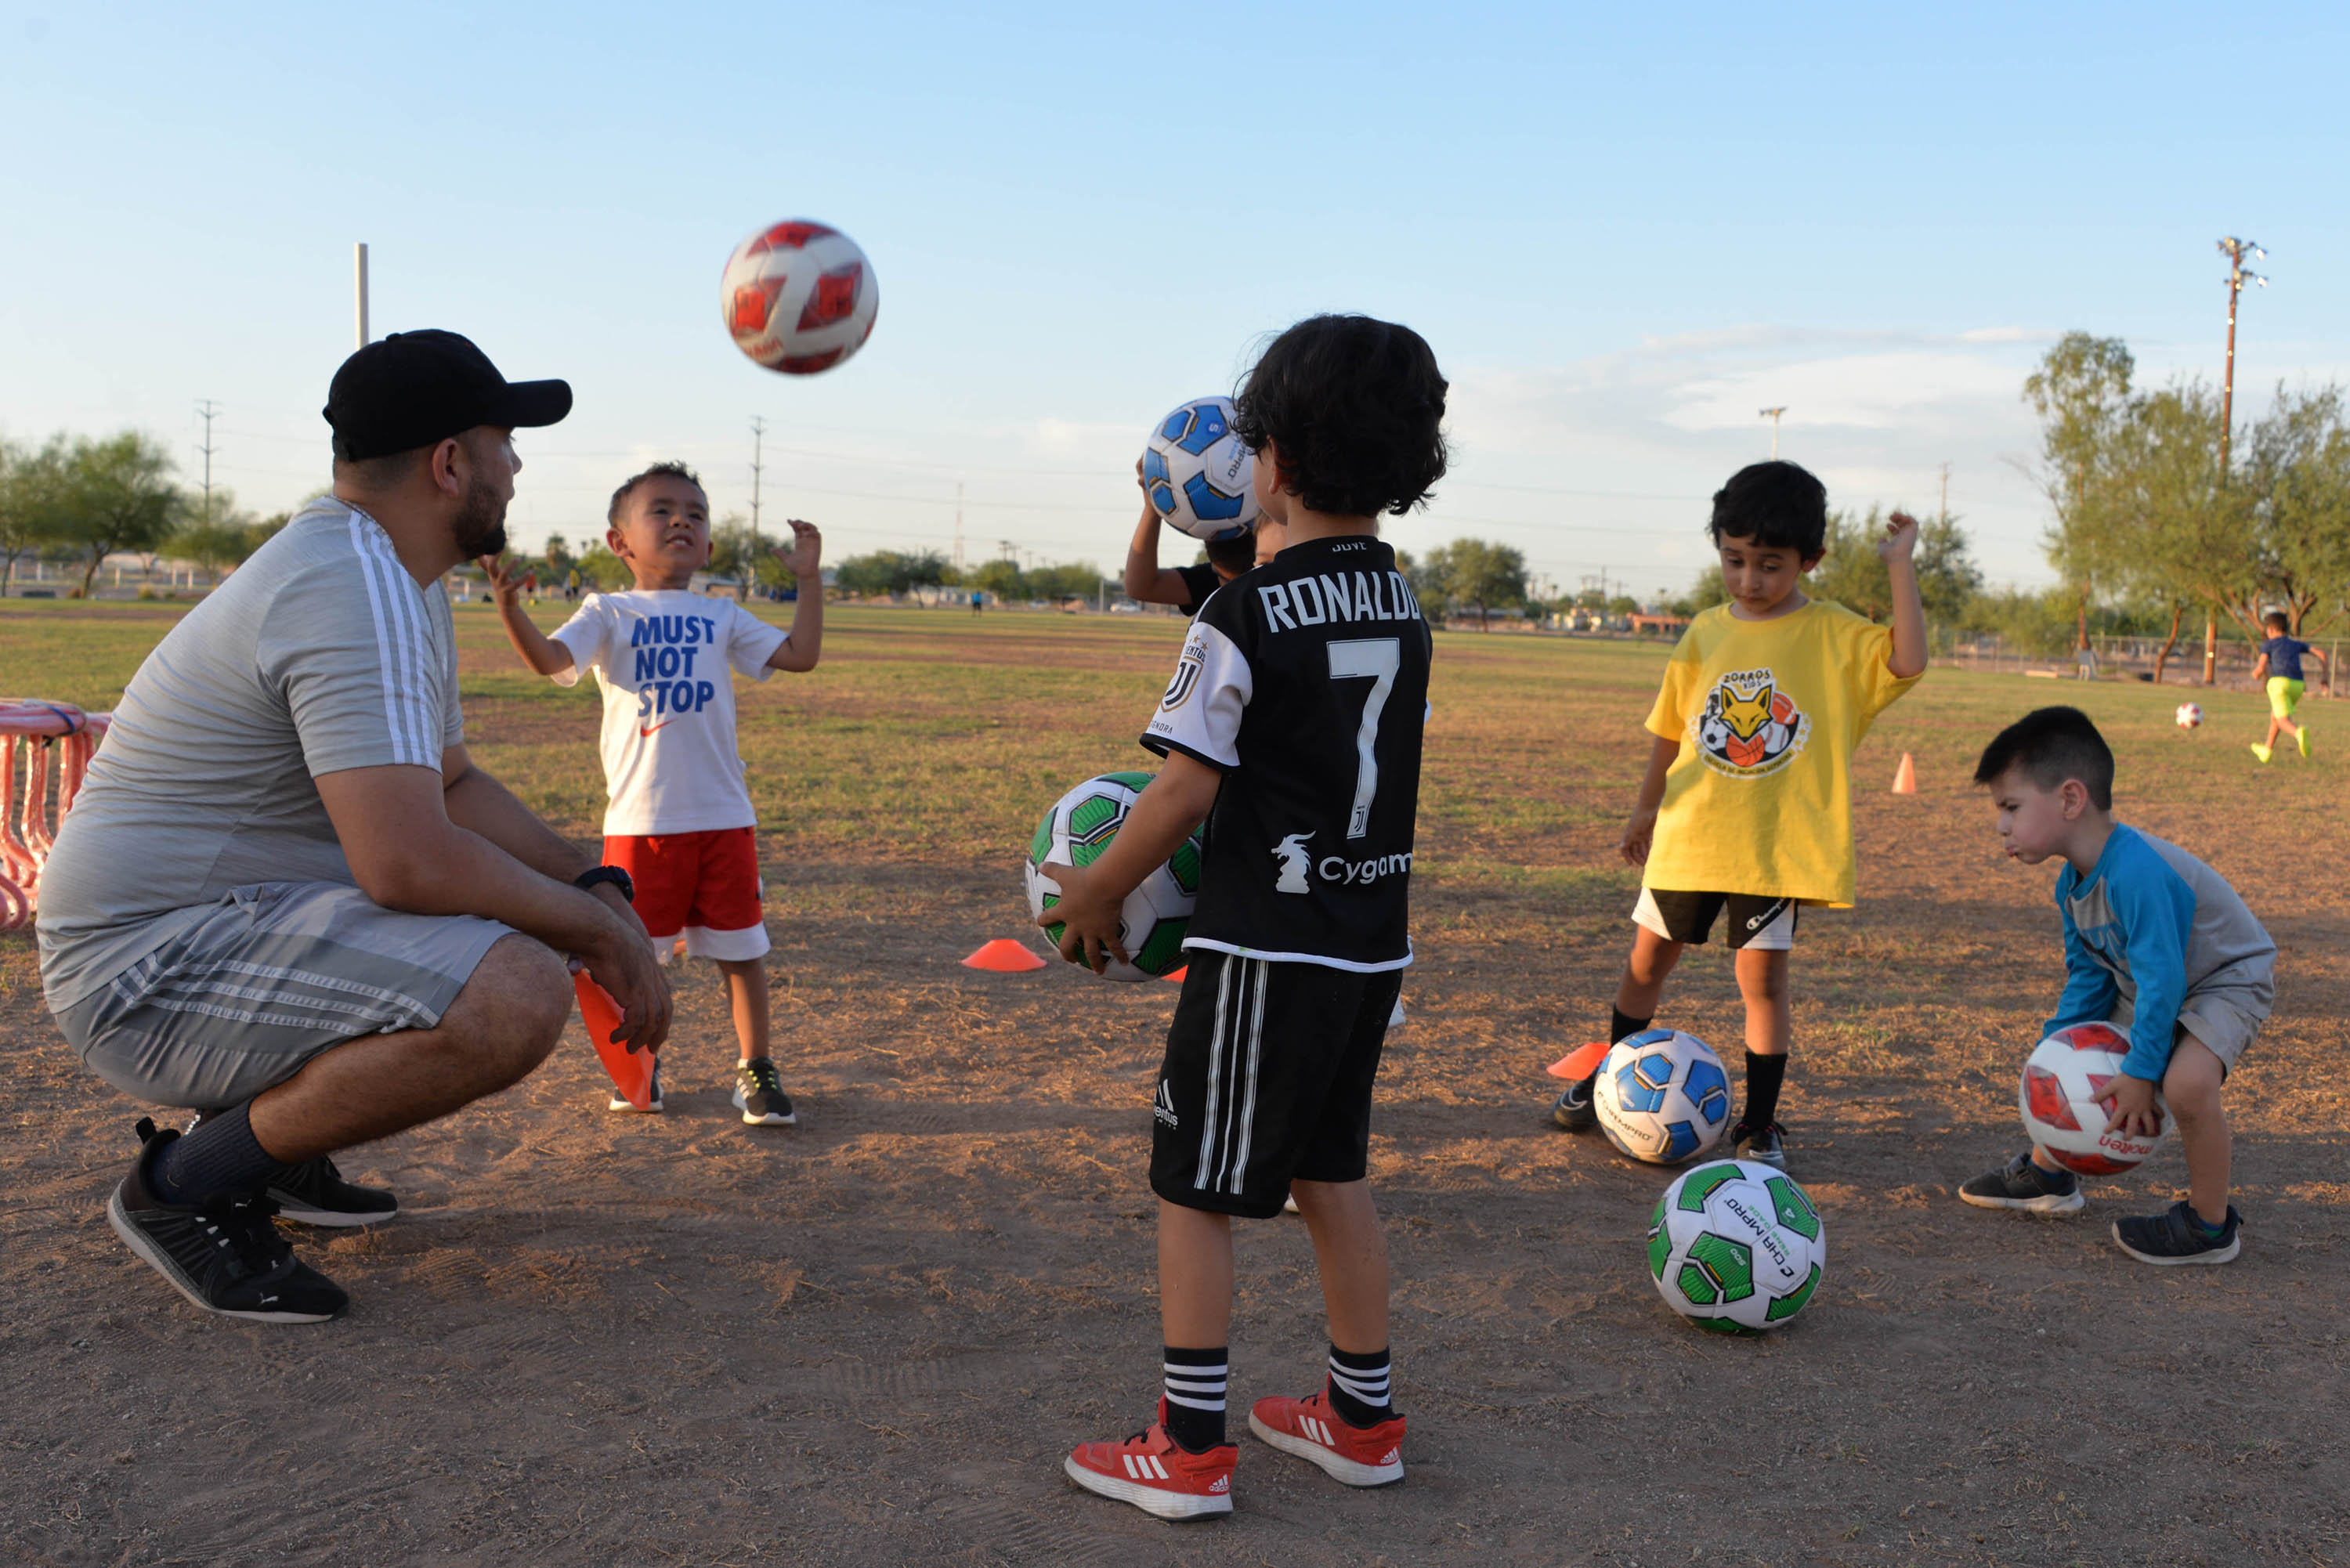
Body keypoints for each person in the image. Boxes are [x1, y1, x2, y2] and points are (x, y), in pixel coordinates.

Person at [35, 329, 671, 1324]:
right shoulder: (350, 580)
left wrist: (591, 887)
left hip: (212, 924)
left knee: (500, 948)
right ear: (449, 463)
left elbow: (451, 785)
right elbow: (407, 863)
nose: (518, 464)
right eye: (505, 440)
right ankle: (187, 1185)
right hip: (139, 965)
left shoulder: (389, 576)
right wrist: (588, 933)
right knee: (509, 992)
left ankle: (278, 1152)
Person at [1044, 314, 1446, 1520]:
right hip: (1369, 942)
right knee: (1330, 1174)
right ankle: (1362, 1419)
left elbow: (1183, 786)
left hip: (1267, 944)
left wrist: (1099, 887)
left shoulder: (1243, 616)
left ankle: (1190, 1443)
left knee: (1194, 1188)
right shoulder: (1406, 605)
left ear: (1266, 460)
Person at [1549, 463, 1926, 1169]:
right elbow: (1670, 726)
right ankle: (1606, 1075)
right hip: (1692, 834)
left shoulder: (1833, 634)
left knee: (1763, 983)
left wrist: (1900, 567)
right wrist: (1644, 809)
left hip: (1772, 848)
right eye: (1735, 560)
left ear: (1810, 560)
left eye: (1770, 565)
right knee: (1646, 962)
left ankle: (1760, 1123)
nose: (1749, 580)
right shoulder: (1703, 632)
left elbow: (1907, 660)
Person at [483, 461, 823, 1127]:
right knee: (634, 957)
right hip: (642, 821)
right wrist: (509, 609)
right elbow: (553, 662)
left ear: (710, 547)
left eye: (695, 514)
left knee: (743, 952)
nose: (681, 521)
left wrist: (807, 580)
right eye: (662, 510)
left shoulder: (721, 615)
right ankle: (643, 1064)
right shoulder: (608, 612)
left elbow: (802, 654)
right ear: (620, 543)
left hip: (725, 817)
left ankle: (756, 1068)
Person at [1961, 706, 2275, 1263]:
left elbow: (2165, 978)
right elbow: (2088, 976)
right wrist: (2052, 1050)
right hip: (2156, 981)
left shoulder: (2138, 872)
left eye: (2011, 807)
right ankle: (2049, 1176)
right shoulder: (2072, 883)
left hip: (2225, 978)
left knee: (2184, 1086)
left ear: (2070, 799)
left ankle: (2210, 1227)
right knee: (2078, 1062)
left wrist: (2140, 1072)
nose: (2000, 826)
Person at [1123, 456, 1258, 615]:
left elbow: (1141, 588)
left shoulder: (1284, 573)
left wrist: (1154, 506)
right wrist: (1152, 508)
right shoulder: (1214, 582)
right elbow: (1140, 587)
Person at [2247, 610, 2323, 763]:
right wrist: (2326, 677)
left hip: (2279, 684)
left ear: (2271, 630)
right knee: (2275, 716)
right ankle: (2267, 750)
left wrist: (2256, 674)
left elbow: (2261, 668)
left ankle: (2298, 733)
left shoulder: (2268, 645)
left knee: (2282, 720)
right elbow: (2322, 654)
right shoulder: (2296, 644)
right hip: (2298, 685)